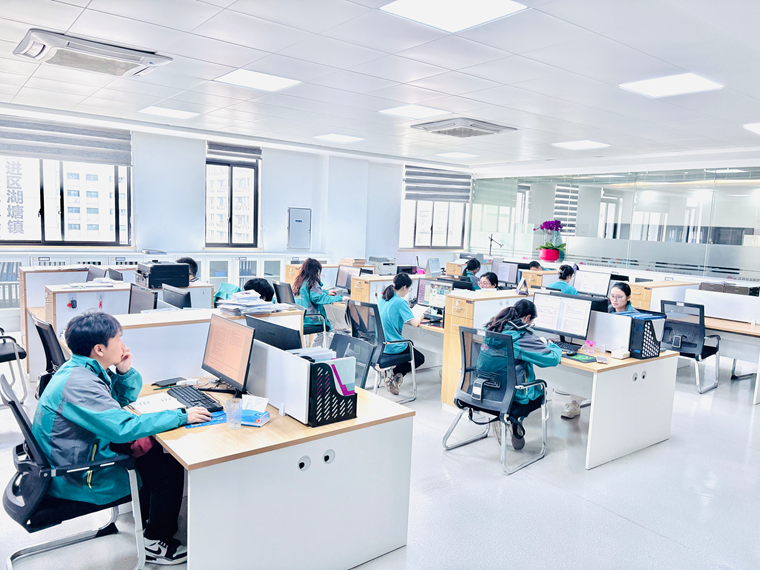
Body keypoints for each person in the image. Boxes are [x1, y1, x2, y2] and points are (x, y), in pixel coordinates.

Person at [32, 312, 212, 565]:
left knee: (151, 451)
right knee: (166, 464)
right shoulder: (80, 384)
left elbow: (115, 405)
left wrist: (124, 372)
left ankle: (151, 523)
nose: (123, 345)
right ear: (99, 349)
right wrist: (181, 416)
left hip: (70, 460)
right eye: (118, 339)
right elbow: (123, 427)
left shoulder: (79, 370)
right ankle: (155, 542)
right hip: (76, 476)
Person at [481, 300, 561, 449]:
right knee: (540, 390)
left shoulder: (492, 328)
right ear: (527, 318)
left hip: (485, 390)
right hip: (512, 397)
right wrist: (553, 345)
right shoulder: (521, 336)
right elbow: (552, 359)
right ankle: (516, 419)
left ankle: (508, 419)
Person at [378, 273, 425, 395]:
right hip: (393, 346)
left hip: (381, 345)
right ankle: (396, 374)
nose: (408, 291)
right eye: (409, 289)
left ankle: (391, 373)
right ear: (404, 287)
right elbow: (415, 323)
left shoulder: (382, 298)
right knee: (419, 358)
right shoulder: (400, 302)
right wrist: (421, 316)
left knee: (408, 350)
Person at [293, 258, 347, 346]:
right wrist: (340, 298)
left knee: (325, 327)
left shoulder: (301, 281)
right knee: (330, 325)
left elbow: (313, 293)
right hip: (311, 319)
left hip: (302, 317)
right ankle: (325, 349)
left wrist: (326, 292)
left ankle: (315, 348)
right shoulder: (312, 282)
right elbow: (320, 299)